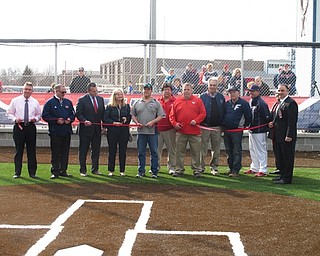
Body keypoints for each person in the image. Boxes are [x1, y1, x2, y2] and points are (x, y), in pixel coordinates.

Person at [169, 83, 206, 178]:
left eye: (188, 89)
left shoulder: (197, 101)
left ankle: (197, 170)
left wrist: (196, 120)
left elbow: (202, 113)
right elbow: (172, 115)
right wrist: (175, 124)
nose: (186, 91)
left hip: (195, 132)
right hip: (181, 132)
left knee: (196, 152)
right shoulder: (177, 101)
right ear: (182, 90)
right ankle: (179, 169)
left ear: (191, 90)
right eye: (184, 89)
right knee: (179, 152)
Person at [6, 82, 41, 179]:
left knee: (31, 151)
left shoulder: (35, 102)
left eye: (29, 89)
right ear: (23, 89)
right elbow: (9, 113)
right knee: (19, 150)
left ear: (32, 91)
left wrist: (36, 119)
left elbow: (39, 114)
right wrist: (15, 119)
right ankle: (17, 172)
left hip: (30, 127)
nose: (27, 91)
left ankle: (32, 172)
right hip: (19, 127)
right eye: (26, 89)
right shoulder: (15, 100)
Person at [131, 83, 165, 178]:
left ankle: (154, 171)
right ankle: (141, 171)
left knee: (154, 152)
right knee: (141, 152)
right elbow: (133, 114)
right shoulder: (137, 102)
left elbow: (161, 115)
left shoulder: (156, 103)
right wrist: (137, 122)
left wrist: (152, 122)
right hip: (141, 132)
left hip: (152, 132)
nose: (146, 91)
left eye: (148, 89)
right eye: (145, 89)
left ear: (151, 91)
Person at [42, 84, 75, 179]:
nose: (64, 94)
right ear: (56, 91)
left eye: (65, 92)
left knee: (65, 152)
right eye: (62, 92)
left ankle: (63, 170)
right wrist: (56, 120)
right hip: (55, 131)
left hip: (66, 131)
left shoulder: (68, 102)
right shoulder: (50, 103)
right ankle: (55, 171)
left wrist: (70, 119)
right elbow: (45, 116)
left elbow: (73, 114)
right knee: (56, 152)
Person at [268, 84, 298, 184]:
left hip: (286, 136)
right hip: (278, 135)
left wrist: (289, 135)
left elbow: (292, 122)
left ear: (287, 91)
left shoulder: (290, 103)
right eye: (279, 90)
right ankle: (282, 175)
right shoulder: (280, 103)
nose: (280, 92)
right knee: (280, 157)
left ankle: (287, 178)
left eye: (282, 90)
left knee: (287, 157)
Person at [76, 82, 105, 176]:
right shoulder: (82, 100)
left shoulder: (100, 99)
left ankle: (95, 169)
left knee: (96, 150)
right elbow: (78, 113)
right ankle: (83, 170)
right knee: (83, 150)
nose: (95, 93)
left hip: (97, 130)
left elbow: (103, 114)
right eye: (93, 91)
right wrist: (84, 120)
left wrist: (104, 126)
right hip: (85, 130)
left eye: (96, 91)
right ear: (88, 91)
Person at [222, 85, 252, 177]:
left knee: (236, 150)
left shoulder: (244, 104)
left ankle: (236, 170)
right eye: (230, 92)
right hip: (227, 130)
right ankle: (231, 168)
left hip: (237, 130)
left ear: (238, 93)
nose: (232, 94)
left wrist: (243, 126)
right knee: (228, 150)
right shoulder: (227, 103)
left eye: (234, 92)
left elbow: (248, 116)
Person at [244, 84, 272, 177]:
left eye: (253, 91)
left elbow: (267, 117)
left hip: (260, 130)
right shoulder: (252, 101)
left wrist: (266, 126)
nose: (250, 92)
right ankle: (254, 167)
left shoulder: (261, 103)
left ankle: (263, 169)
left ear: (258, 91)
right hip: (252, 129)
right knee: (252, 149)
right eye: (250, 91)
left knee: (260, 149)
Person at [200, 77, 226, 175]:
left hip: (217, 127)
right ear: (208, 85)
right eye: (210, 85)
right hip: (205, 127)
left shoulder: (221, 97)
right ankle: (201, 167)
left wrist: (222, 125)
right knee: (202, 148)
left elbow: (224, 111)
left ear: (217, 86)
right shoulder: (202, 96)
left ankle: (214, 167)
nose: (212, 87)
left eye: (214, 85)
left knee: (216, 149)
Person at [104, 89, 131, 176]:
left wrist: (126, 119)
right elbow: (105, 119)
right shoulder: (109, 106)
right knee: (112, 150)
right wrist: (113, 123)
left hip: (123, 131)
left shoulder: (126, 106)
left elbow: (129, 117)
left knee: (122, 151)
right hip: (112, 131)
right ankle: (111, 170)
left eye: (121, 94)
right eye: (118, 94)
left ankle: (122, 170)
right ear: (114, 96)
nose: (120, 96)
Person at [157, 82, 177, 174]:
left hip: (170, 129)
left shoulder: (175, 101)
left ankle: (171, 167)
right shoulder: (158, 101)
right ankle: (156, 166)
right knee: (157, 149)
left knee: (171, 150)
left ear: (171, 91)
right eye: (165, 90)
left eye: (168, 89)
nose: (166, 91)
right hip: (158, 129)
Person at [268, 92, 281, 175]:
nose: (278, 97)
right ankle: (278, 167)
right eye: (276, 95)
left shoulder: (286, 105)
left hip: (281, 132)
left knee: (282, 151)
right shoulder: (276, 105)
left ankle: (282, 169)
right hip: (274, 132)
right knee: (276, 151)